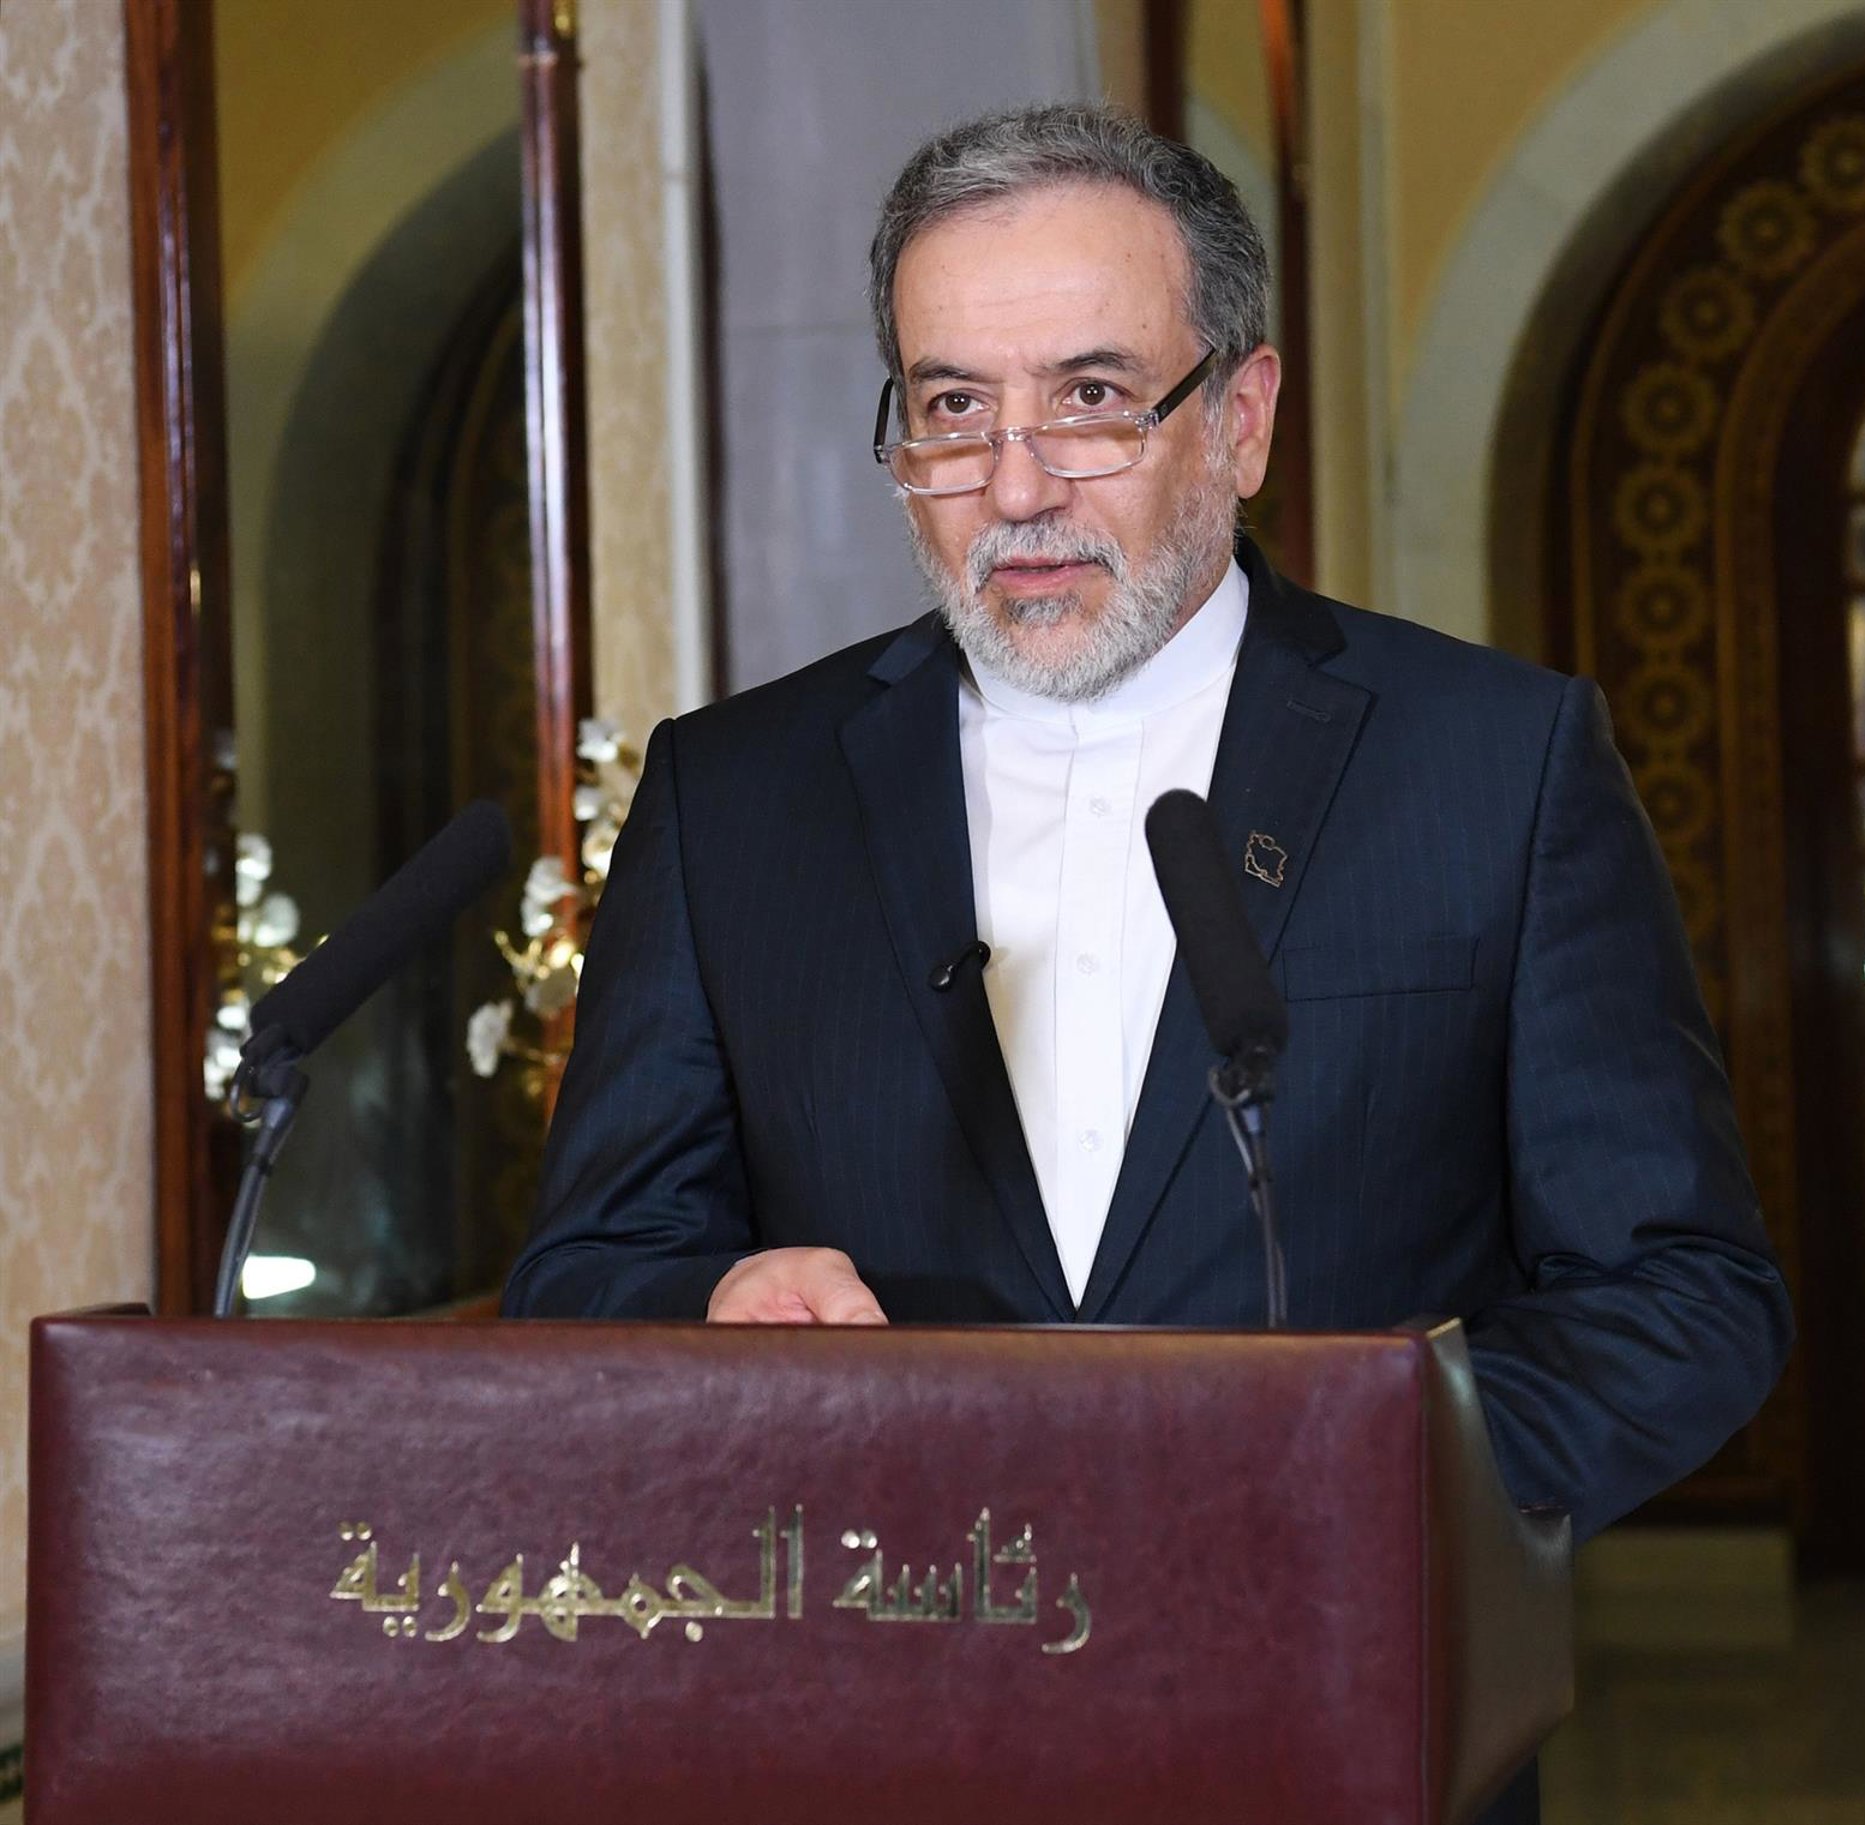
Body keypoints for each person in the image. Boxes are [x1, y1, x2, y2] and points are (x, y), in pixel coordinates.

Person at [505, 105, 1791, 1822]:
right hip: (874, 1746)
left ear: (1240, 420)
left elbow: (1685, 1293)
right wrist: (710, 1314)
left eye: (1093, 396)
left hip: (1338, 1734)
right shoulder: (733, 797)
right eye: (953, 410)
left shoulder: (1497, 764)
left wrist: (1373, 1474)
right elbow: (588, 1268)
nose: (1014, 484)